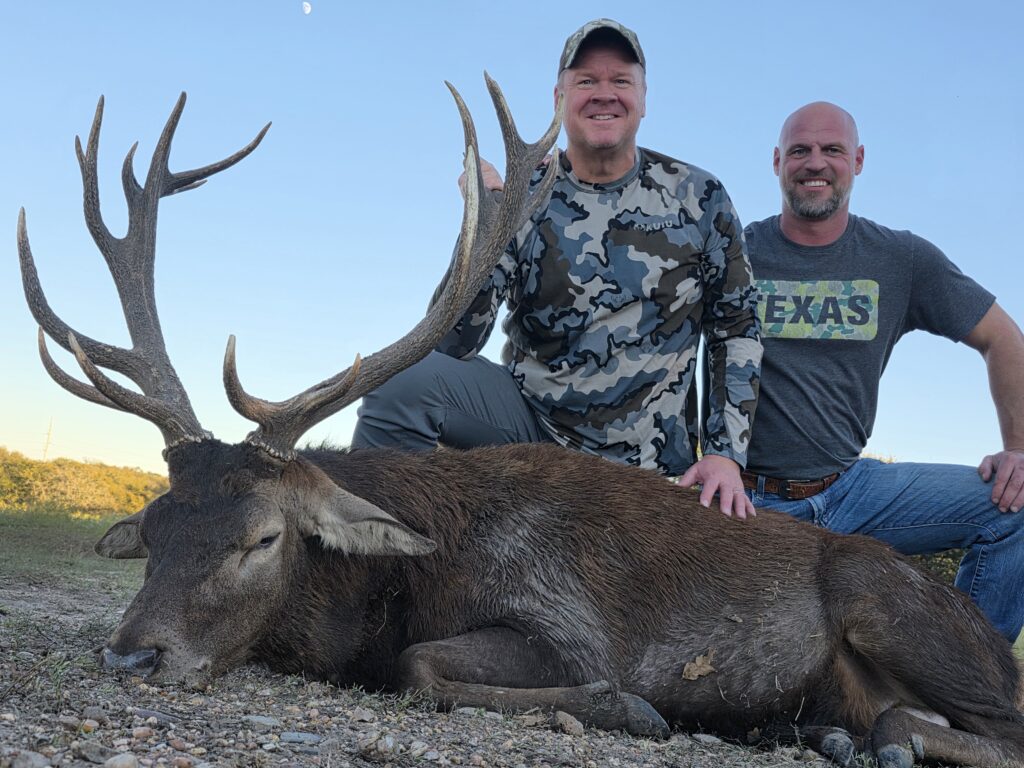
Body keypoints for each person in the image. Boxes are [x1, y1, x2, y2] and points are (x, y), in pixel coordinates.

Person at [352, 19, 762, 517]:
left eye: (621, 81)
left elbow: (736, 327)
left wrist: (725, 452)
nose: (604, 94)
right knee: (400, 383)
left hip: (653, 460)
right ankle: (381, 546)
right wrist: (484, 220)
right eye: (586, 81)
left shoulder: (700, 197)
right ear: (559, 98)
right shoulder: (523, 193)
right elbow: (453, 343)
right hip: (532, 429)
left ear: (643, 98)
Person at [742, 101, 1024, 641]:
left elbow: (1003, 337)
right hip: (745, 498)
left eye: (832, 150)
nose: (815, 162)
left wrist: (1018, 450)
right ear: (778, 161)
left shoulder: (901, 258)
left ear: (858, 160)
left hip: (852, 491)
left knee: (1013, 510)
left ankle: (964, 678)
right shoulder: (735, 251)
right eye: (799, 150)